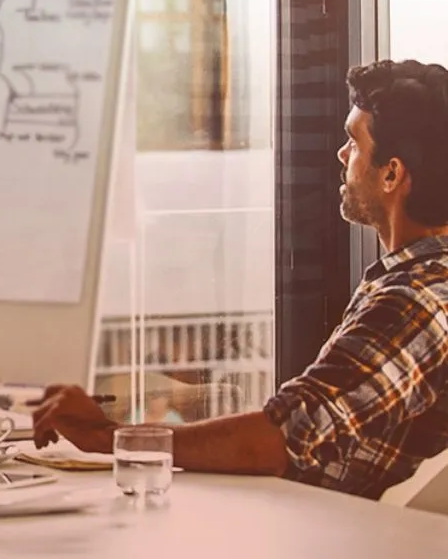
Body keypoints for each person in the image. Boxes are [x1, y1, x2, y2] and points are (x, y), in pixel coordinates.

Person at [33, 59, 448, 499]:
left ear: (391, 173)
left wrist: (108, 437)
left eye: (353, 141)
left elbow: (283, 439)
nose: (341, 155)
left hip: (322, 521)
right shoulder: (411, 281)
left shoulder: (417, 300)